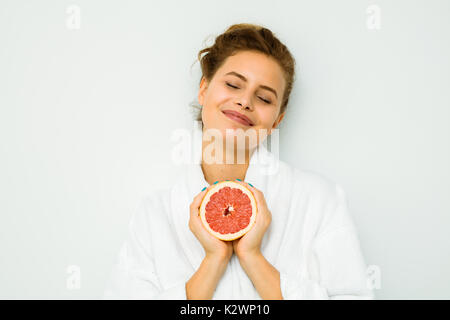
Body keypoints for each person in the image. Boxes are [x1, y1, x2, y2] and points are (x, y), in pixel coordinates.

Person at [103, 23, 375, 300]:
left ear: (276, 121)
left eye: (265, 98)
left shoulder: (319, 201)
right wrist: (214, 261)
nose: (245, 101)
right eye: (233, 84)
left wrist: (253, 257)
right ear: (203, 89)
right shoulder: (153, 215)